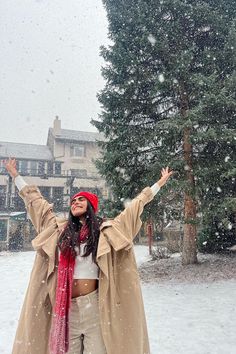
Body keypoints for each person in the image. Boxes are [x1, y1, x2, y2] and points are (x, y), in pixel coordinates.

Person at [4, 158, 173, 354]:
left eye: (81, 199)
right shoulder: (59, 230)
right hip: (66, 309)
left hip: (96, 308)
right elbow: (36, 203)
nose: (75, 202)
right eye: (73, 201)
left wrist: (159, 184)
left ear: (91, 205)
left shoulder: (107, 230)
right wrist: (15, 176)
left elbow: (136, 206)